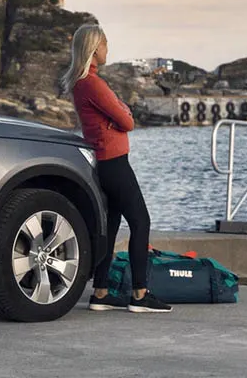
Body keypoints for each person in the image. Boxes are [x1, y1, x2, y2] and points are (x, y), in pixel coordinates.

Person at [60, 24, 172, 313]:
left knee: (111, 226)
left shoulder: (83, 82)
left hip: (103, 162)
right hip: (114, 162)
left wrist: (117, 117)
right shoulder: (94, 83)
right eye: (106, 44)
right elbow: (128, 121)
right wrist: (118, 118)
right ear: (94, 48)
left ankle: (101, 292)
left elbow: (120, 115)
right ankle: (140, 294)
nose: (108, 50)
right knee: (141, 222)